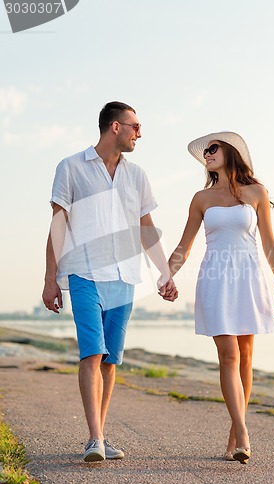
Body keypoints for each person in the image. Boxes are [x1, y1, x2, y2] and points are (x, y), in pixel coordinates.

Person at [42, 101, 178, 462]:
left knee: (111, 361)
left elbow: (146, 228)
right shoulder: (71, 167)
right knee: (92, 352)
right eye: (135, 126)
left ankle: (100, 436)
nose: (140, 133)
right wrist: (50, 279)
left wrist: (164, 272)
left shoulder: (138, 176)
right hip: (84, 272)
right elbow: (58, 223)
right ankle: (94, 438)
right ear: (115, 127)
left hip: (125, 277)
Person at [167, 131, 274, 464]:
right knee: (229, 356)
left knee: (246, 357)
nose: (207, 154)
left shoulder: (256, 193)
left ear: (231, 153)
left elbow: (269, 243)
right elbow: (184, 246)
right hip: (217, 277)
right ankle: (244, 432)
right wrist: (166, 275)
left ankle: (234, 437)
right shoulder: (200, 199)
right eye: (205, 151)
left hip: (250, 276)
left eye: (213, 148)